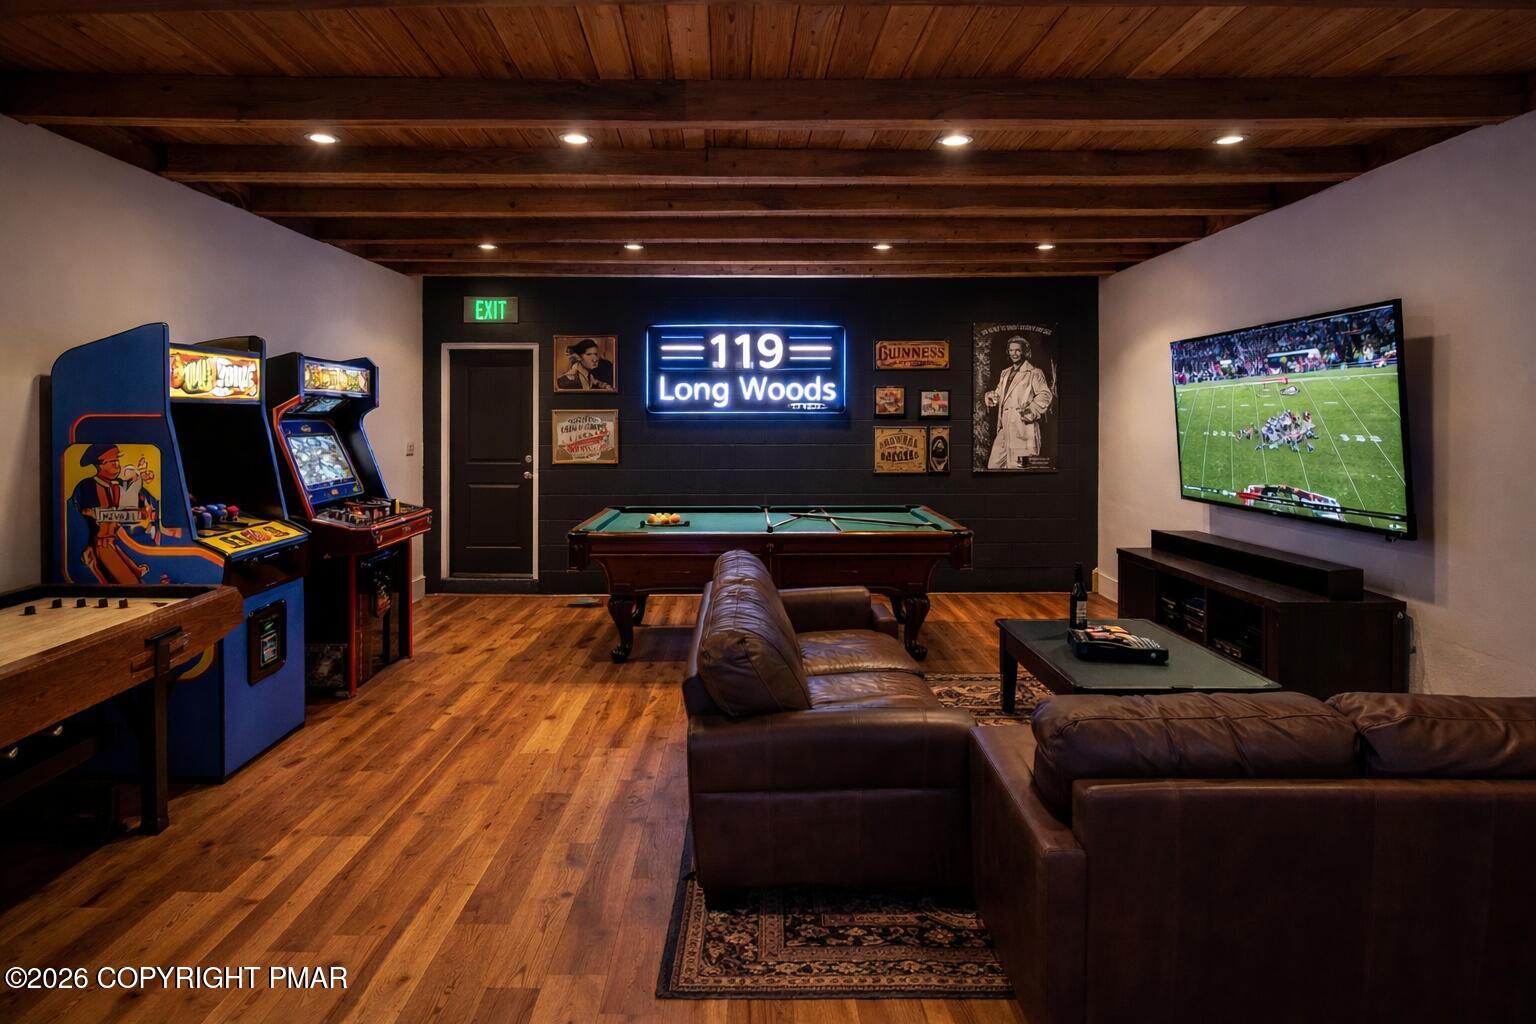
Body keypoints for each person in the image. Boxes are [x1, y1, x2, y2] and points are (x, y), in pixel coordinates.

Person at [71, 443, 155, 584]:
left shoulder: (120, 485)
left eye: (118, 460)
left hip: (112, 542)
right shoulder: (87, 486)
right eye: (112, 461)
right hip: (100, 544)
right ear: (100, 465)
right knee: (131, 583)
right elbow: (84, 513)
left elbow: (143, 507)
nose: (117, 465)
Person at [983, 335, 1054, 470]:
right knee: (993, 466)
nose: (1014, 353)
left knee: (1019, 469)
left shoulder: (1034, 373)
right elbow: (1000, 394)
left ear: (1024, 352)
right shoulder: (1005, 373)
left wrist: (1030, 411)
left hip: (1023, 428)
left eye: (1017, 350)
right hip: (1004, 427)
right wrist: (992, 396)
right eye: (1011, 350)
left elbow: (1045, 395)